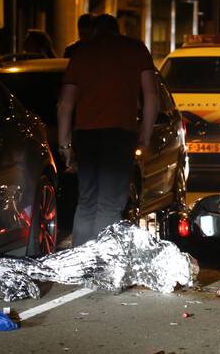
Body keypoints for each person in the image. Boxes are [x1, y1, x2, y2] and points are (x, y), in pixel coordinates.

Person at [57, 13, 159, 245]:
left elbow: (65, 104)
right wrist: (144, 134)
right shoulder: (136, 50)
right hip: (120, 134)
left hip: (86, 135)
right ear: (117, 30)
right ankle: (101, 264)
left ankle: (81, 261)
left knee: (86, 202)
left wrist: (65, 145)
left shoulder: (82, 53)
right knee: (110, 204)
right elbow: (151, 97)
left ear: (94, 31)